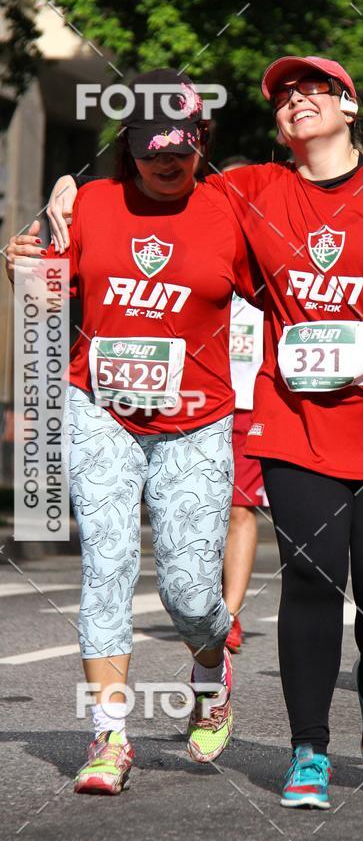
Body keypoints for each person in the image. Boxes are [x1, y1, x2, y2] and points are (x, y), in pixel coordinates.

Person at [42, 55, 363, 810]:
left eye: (315, 89)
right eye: (285, 96)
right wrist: (64, 195)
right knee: (308, 577)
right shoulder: (249, 189)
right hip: (293, 422)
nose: (298, 100)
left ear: (350, 105)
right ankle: (305, 749)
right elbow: (145, 200)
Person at [5, 69, 258, 795]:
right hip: (100, 408)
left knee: (189, 590)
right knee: (107, 565)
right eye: (152, 149)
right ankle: (110, 735)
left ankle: (210, 671)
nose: (166, 162)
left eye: (180, 148)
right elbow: (42, 297)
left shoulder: (230, 211)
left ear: (201, 140)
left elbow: (288, 296)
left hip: (197, 421)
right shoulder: (89, 203)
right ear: (130, 144)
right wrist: (19, 264)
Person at [221, 156, 268, 653]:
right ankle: (200, 602)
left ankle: (229, 614)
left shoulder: (270, 255)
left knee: (239, 509)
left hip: (251, 404)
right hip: (196, 402)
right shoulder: (197, 247)